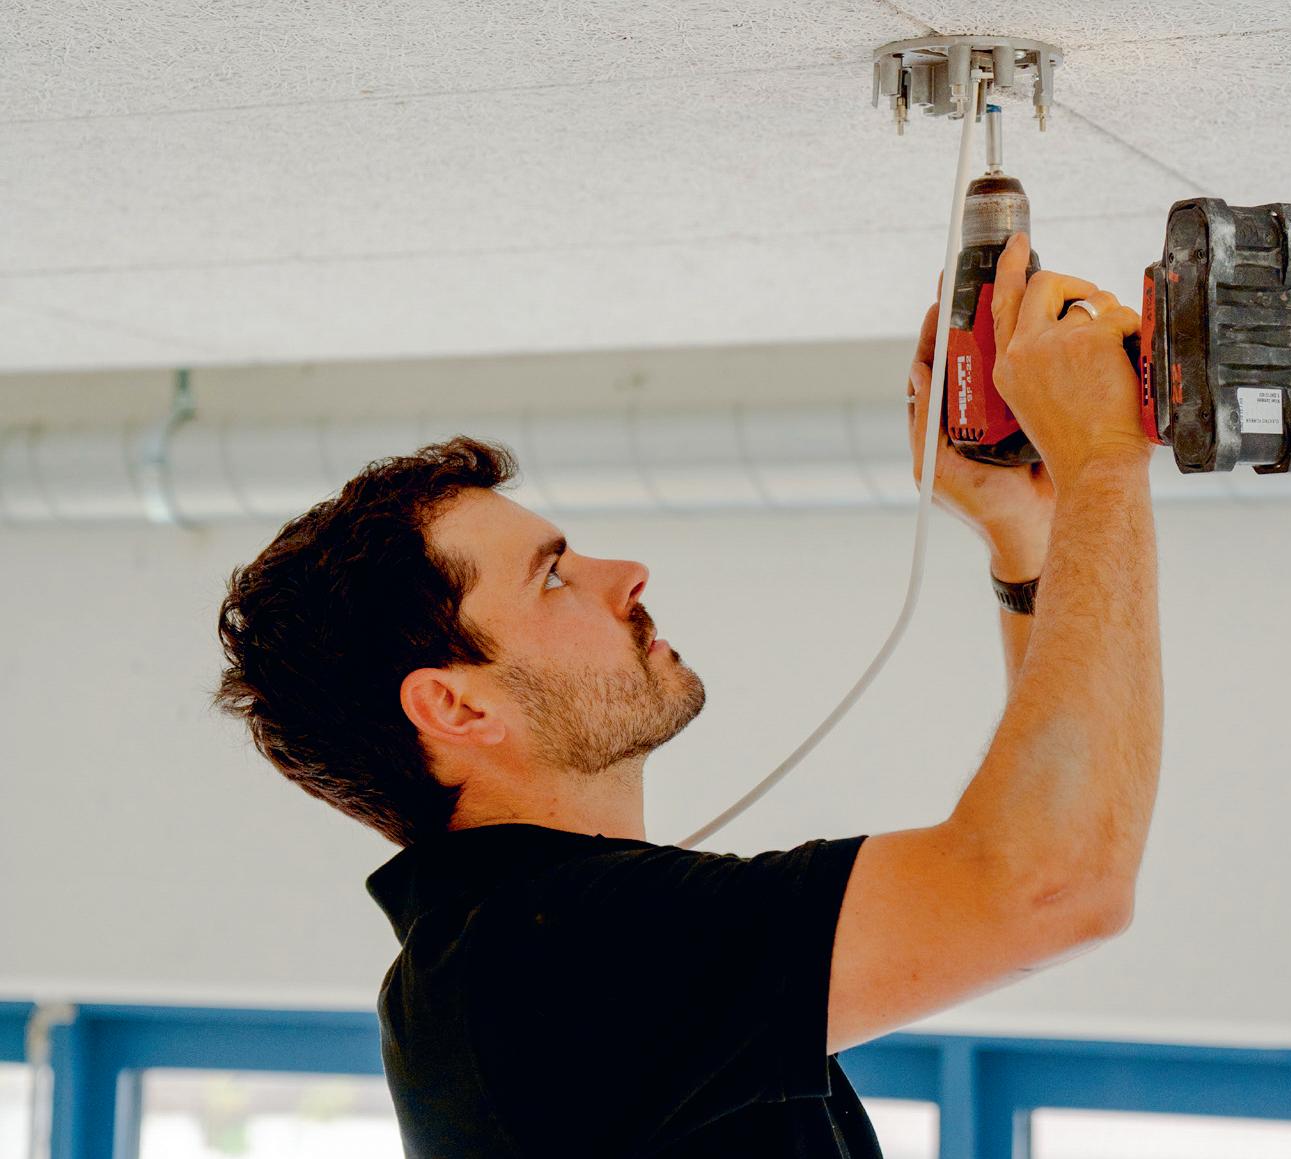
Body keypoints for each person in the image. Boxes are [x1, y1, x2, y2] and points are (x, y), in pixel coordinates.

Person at [212, 232, 1162, 1158]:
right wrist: (1101, 458)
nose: (626, 573)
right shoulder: (544, 964)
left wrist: (1024, 535)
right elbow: (1048, 884)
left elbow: (1042, 871)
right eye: (552, 577)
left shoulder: (516, 964)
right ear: (457, 707)